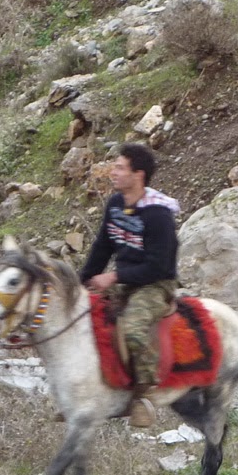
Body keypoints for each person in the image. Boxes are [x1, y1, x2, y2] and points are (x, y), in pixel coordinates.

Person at [80, 143, 180, 427]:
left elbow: (159, 266)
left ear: (138, 175)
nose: (113, 172)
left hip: (156, 284)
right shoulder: (115, 205)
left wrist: (114, 277)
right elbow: (103, 247)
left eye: (120, 167)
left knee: (133, 329)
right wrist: (80, 282)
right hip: (125, 279)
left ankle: (144, 396)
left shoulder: (158, 214)